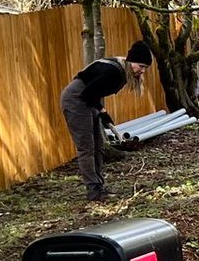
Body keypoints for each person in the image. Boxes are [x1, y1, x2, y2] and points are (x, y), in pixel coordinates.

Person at [61, 40, 152, 202]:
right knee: (87, 147)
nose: (142, 71)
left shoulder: (122, 70)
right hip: (76, 100)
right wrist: (102, 112)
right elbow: (88, 92)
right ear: (131, 61)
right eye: (141, 66)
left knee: (99, 145)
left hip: (89, 100)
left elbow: (96, 92)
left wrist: (102, 113)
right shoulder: (113, 71)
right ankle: (94, 191)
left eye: (145, 68)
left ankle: (99, 186)